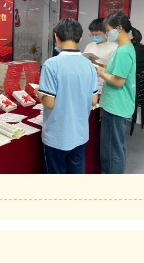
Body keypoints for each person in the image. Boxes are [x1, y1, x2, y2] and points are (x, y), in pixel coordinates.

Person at [39, 22, 99, 174]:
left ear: (56, 37)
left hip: (57, 135)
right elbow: (94, 101)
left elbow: (49, 103)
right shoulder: (89, 65)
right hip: (80, 133)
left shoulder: (51, 64)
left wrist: (38, 93)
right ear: (80, 39)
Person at [96, 14, 137, 171]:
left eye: (108, 30)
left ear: (119, 28)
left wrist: (100, 73)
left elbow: (119, 81)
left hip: (116, 106)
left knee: (112, 149)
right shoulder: (122, 48)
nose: (107, 34)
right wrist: (103, 68)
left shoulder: (124, 51)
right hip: (113, 104)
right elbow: (116, 71)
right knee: (113, 146)